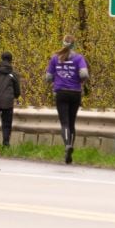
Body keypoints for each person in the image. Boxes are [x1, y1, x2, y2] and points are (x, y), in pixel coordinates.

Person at [46, 35, 89, 165]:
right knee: (71, 122)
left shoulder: (55, 58)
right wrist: (80, 81)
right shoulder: (79, 58)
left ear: (62, 44)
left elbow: (48, 77)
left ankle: (67, 145)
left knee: (64, 122)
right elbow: (84, 74)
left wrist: (57, 79)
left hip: (61, 93)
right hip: (75, 93)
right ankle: (70, 148)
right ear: (73, 45)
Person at [0, 51, 21, 148]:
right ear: (11, 60)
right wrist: (15, 96)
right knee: (7, 123)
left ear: (1, 59)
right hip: (8, 102)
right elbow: (17, 90)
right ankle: (6, 143)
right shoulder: (13, 74)